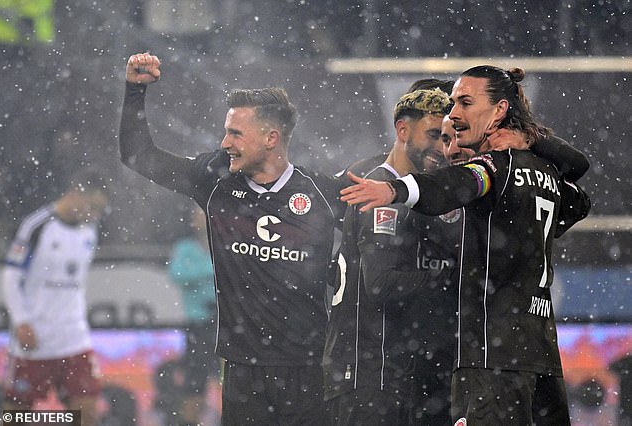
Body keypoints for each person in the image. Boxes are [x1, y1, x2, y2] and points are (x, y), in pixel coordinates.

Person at [339, 65, 591, 425]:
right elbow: (580, 194)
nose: (455, 118)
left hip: (491, 352)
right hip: (540, 351)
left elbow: (455, 185)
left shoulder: (490, 169)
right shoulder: (544, 172)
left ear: (499, 111)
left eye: (464, 103)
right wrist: (533, 140)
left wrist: (395, 189)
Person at [119, 52, 345, 425]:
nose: (225, 142)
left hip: (310, 369)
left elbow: (377, 235)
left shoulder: (320, 194)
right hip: (242, 371)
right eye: (226, 131)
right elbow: (137, 155)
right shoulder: (215, 181)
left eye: (236, 133)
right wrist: (134, 91)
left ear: (271, 138)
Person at [324, 87, 462, 426]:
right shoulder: (381, 192)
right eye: (433, 134)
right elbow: (382, 284)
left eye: (446, 138)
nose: (441, 147)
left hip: (388, 373)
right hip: (371, 375)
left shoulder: (415, 192)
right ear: (402, 130)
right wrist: (456, 278)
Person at [1, 169, 109, 426]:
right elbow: (10, 276)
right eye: (92, 207)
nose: (94, 215)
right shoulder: (37, 226)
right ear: (75, 194)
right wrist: (22, 321)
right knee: (15, 416)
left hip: (74, 339)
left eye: (99, 210)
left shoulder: (89, 231)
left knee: (87, 415)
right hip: (35, 338)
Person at [166, 204, 219, 425]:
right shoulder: (185, 248)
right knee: (194, 382)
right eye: (198, 216)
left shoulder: (222, 245)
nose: (202, 221)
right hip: (198, 324)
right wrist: (211, 268)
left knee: (231, 379)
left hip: (226, 324)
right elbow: (177, 274)